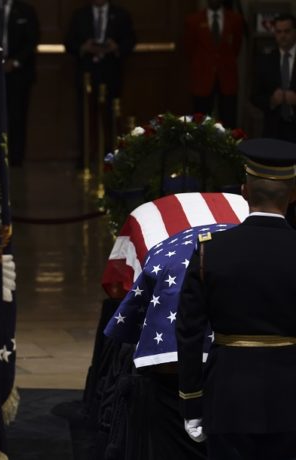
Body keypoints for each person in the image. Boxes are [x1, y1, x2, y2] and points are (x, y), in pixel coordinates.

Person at [177, 138, 296, 459]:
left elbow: (189, 332)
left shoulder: (210, 250)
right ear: (293, 195)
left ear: (244, 190)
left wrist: (191, 400)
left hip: (228, 397)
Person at [64, 0, 135, 168]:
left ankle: (111, 157)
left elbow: (131, 40)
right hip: (87, 75)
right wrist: (84, 47)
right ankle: (86, 158)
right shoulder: (80, 15)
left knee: (111, 117)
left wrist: (116, 47)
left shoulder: (121, 14)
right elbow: (68, 43)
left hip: (111, 74)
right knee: (85, 116)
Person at [184, 0, 245, 129]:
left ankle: (228, 148)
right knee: (200, 123)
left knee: (229, 121)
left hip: (227, 77)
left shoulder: (235, 19)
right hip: (202, 78)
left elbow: (236, 47)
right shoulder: (193, 20)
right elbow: (189, 49)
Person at [3, 0, 39, 167]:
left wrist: (16, 62)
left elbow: (33, 40)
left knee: (17, 117)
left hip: (19, 74)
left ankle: (16, 158)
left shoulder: (26, 10)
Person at [253, 14, 296, 143]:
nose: (283, 36)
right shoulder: (265, 60)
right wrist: (271, 101)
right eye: (279, 32)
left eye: (287, 31)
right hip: (274, 129)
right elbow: (254, 96)